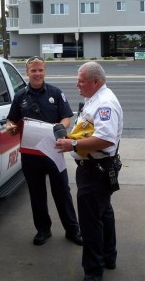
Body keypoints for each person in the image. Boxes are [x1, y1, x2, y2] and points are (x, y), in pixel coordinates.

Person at [55, 61, 123, 281]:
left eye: (81, 81)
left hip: (96, 170)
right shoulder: (93, 98)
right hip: (96, 169)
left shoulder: (105, 103)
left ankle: (93, 273)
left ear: (95, 81)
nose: (77, 84)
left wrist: (72, 146)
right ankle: (108, 256)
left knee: (90, 222)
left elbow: (105, 139)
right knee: (104, 213)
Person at [6, 56, 82, 246]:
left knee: (62, 192)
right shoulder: (20, 97)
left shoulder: (56, 93)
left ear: (45, 72)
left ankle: (73, 230)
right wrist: (10, 127)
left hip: (53, 151)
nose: (37, 73)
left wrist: (60, 126)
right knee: (36, 193)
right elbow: (11, 120)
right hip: (31, 155)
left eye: (40, 70)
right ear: (27, 72)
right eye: (33, 70)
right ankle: (43, 230)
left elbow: (66, 117)